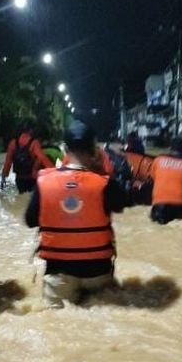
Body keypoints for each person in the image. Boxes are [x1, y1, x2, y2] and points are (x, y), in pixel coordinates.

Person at [25, 120, 126, 308]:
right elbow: (121, 204)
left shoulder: (44, 182)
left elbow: (30, 220)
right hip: (98, 272)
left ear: (64, 149)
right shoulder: (105, 183)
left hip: (59, 275)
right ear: (94, 150)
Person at [149, 137, 182, 224]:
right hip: (180, 209)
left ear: (169, 149)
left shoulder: (158, 160)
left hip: (159, 208)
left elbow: (152, 178)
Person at [1, 123, 55, 193]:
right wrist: (54, 171)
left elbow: (8, 162)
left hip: (19, 179)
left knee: (21, 197)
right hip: (31, 179)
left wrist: (3, 177)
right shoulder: (34, 143)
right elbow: (43, 158)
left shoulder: (12, 143)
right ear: (31, 130)